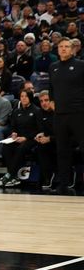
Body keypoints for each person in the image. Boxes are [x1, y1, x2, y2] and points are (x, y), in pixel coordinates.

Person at [48, 38, 84, 195]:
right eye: (61, 46)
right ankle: (64, 183)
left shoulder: (81, 65)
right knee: (62, 150)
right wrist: (51, 100)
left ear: (73, 49)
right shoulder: (53, 67)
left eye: (66, 46)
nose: (63, 49)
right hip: (60, 115)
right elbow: (50, 87)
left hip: (78, 113)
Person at [0, 90, 41, 188]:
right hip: (18, 138)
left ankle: (9, 174)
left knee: (21, 148)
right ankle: (14, 177)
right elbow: (13, 126)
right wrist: (14, 133)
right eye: (22, 96)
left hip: (31, 138)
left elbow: (39, 129)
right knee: (6, 147)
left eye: (26, 96)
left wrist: (25, 137)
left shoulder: (36, 110)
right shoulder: (17, 111)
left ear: (30, 98)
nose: (23, 98)